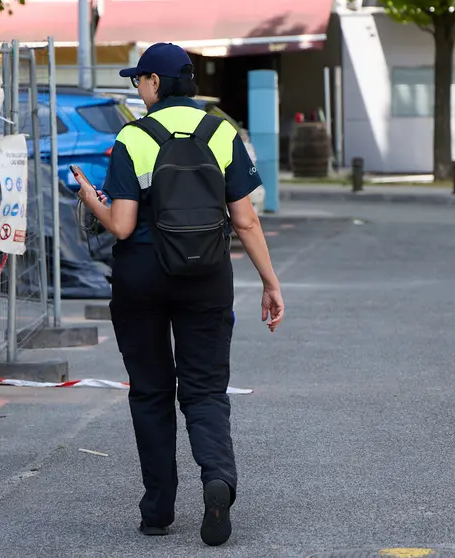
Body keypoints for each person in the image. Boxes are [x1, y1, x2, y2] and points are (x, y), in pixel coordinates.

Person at [75, 42, 284, 547]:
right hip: (207, 274)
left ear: (154, 83)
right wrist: (270, 283)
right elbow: (246, 218)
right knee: (205, 389)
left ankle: (158, 510)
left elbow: (122, 226)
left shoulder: (134, 137)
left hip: (143, 274)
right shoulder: (221, 132)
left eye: (138, 80)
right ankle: (217, 479)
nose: (137, 89)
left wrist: (90, 199)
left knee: (150, 391)